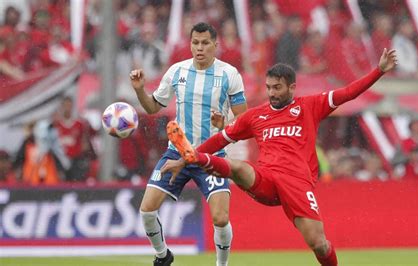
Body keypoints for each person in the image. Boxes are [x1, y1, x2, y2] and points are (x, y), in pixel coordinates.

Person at [162, 49, 398, 266]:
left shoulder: (309, 106)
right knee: (239, 168)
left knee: (319, 244)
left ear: (291, 87)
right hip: (265, 177)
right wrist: (185, 160)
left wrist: (379, 71)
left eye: (277, 88)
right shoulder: (256, 116)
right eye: (269, 87)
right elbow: (220, 139)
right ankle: (200, 161)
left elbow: (348, 93)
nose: (272, 93)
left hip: (297, 182)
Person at [129, 22, 247, 266]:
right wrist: (140, 91)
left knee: (221, 218)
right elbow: (153, 108)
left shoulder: (229, 74)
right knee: (146, 210)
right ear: (190, 44)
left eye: (205, 43)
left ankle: (221, 265)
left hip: (212, 155)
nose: (200, 48)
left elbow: (244, 118)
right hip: (177, 152)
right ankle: (163, 256)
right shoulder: (176, 72)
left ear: (216, 45)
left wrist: (224, 122)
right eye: (195, 43)